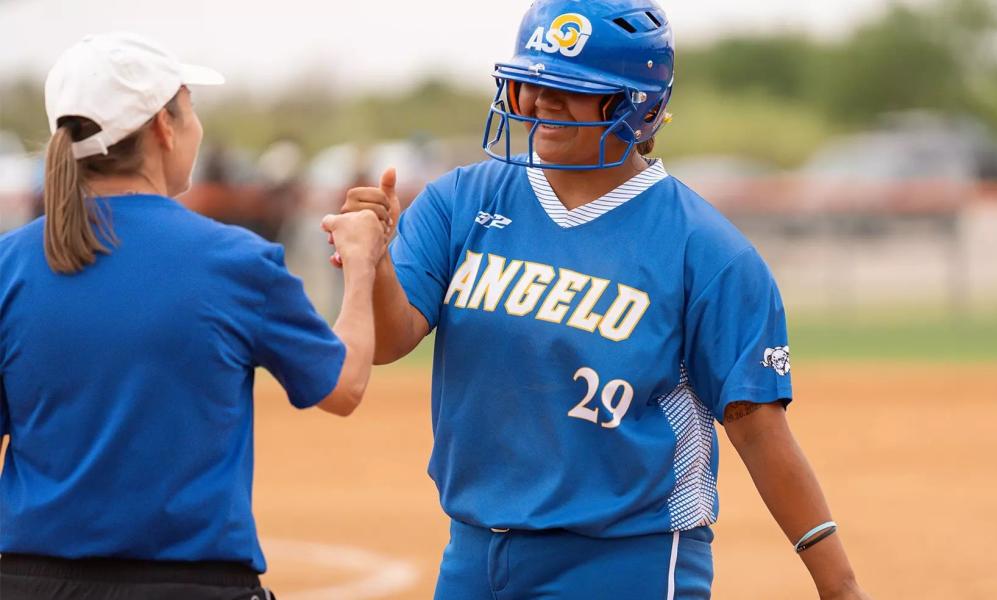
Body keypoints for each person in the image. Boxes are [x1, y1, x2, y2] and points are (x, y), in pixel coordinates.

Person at [342, 1, 872, 598]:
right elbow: (389, 340)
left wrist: (839, 584)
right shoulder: (459, 201)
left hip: (627, 560)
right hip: (473, 554)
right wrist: (376, 263)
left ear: (636, 105)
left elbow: (757, 430)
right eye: (532, 82)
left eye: (569, 89)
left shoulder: (705, 249)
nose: (541, 101)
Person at [0, 32, 387, 599]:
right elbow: (343, 385)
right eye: (190, 107)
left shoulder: (10, 264)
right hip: (191, 584)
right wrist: (360, 263)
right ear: (163, 126)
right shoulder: (234, 262)